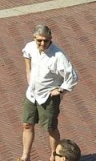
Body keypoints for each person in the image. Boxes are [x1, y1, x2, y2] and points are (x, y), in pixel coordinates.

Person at [19, 24, 78, 161]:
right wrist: (28, 71)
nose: (43, 43)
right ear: (34, 38)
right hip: (32, 94)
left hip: (48, 97)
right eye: (39, 40)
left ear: (50, 39)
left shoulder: (58, 56)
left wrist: (61, 90)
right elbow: (26, 53)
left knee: (50, 128)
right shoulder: (30, 47)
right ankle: (25, 156)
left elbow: (73, 76)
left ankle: (54, 155)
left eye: (46, 40)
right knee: (27, 124)